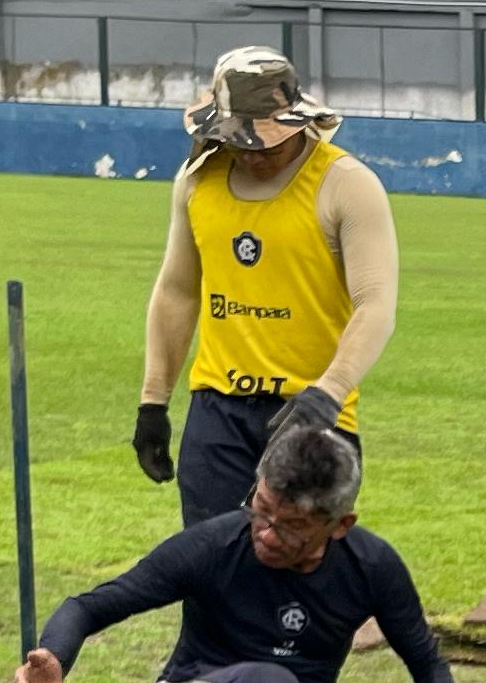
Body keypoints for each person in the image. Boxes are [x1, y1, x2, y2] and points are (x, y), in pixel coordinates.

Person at [13, 413, 481, 683]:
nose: (268, 535)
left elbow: (427, 662)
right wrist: (56, 656)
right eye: (261, 511)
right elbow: (88, 606)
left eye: (292, 525)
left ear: (340, 525)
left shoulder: (372, 567)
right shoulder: (215, 545)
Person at [134, 45, 402, 522]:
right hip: (217, 411)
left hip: (314, 412)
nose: (254, 155)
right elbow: (177, 291)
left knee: (301, 562)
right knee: (212, 567)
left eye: (269, 143)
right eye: (240, 142)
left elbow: (375, 305)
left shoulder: (346, 185)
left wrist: (328, 392)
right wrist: (153, 402)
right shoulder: (197, 181)